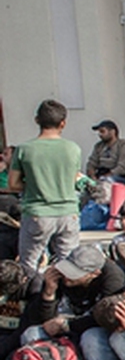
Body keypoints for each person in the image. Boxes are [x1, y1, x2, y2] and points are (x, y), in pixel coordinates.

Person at [10, 99, 83, 273]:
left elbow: (13, 184)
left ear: (37, 120)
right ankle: (64, 298)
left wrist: (34, 185)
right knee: (70, 266)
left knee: (29, 265)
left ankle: (35, 297)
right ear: (63, 123)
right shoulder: (73, 149)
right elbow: (73, 178)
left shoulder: (24, 149)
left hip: (37, 213)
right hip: (68, 213)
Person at [84, 119, 125, 209]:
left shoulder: (124, 146)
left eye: (102, 131)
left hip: (118, 177)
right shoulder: (99, 146)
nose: (100, 135)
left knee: (105, 185)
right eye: (99, 132)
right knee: (84, 186)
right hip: (100, 175)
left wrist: (105, 177)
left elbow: (122, 168)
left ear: (112, 132)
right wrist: (92, 176)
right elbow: (91, 163)